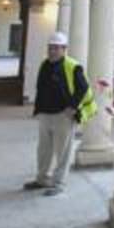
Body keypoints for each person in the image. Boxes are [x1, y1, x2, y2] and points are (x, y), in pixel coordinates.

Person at [24, 32, 96, 196]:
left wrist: (72, 107)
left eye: (56, 48)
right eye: (50, 48)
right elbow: (41, 88)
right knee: (43, 150)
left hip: (63, 116)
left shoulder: (73, 66)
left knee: (62, 152)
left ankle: (58, 183)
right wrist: (38, 110)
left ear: (64, 49)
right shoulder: (45, 64)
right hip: (45, 115)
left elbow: (83, 87)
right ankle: (42, 179)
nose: (52, 51)